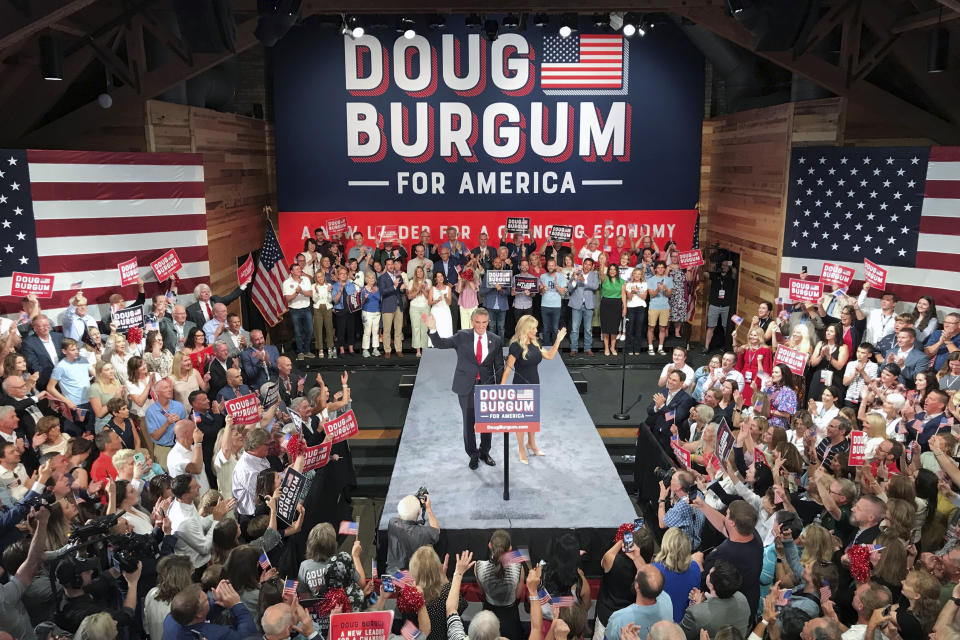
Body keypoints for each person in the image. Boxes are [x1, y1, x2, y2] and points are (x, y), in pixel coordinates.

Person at [425, 308, 504, 469]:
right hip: (466, 386)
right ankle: (473, 454)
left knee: (486, 422)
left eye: (484, 322)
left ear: (488, 322)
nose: (481, 326)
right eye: (477, 322)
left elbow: (499, 366)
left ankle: (484, 452)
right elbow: (441, 344)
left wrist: (498, 389)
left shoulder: (495, 339)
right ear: (472, 321)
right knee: (469, 422)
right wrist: (433, 329)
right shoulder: (462, 336)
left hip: (486, 387)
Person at [501, 315, 566, 463]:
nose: (536, 330)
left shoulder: (535, 344)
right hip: (520, 387)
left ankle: (531, 444)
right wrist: (501, 388)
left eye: (536, 328)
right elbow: (508, 369)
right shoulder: (516, 346)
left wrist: (557, 341)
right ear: (525, 329)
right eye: (533, 328)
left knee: (532, 418)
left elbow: (549, 356)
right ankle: (521, 448)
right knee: (521, 420)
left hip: (534, 384)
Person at [603, 564, 673, 640]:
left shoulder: (619, 619)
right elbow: (653, 583)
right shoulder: (666, 599)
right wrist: (636, 558)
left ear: (637, 585)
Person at [644, 370, 695, 454]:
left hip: (670, 438)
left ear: (681, 383)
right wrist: (656, 407)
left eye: (674, 380)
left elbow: (676, 417)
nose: (670, 382)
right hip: (656, 434)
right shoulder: (663, 392)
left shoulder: (686, 399)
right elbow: (649, 410)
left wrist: (662, 406)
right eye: (670, 378)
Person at [702, 258, 737, 354]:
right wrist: (702, 264)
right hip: (714, 305)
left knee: (726, 327)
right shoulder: (715, 275)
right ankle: (706, 347)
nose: (724, 267)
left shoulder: (731, 276)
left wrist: (731, 264)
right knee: (711, 326)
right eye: (723, 265)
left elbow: (735, 272)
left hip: (726, 306)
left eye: (726, 266)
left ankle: (727, 347)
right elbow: (705, 274)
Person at [568, 258, 599, 355]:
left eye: (589, 264)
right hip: (577, 305)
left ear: (592, 266)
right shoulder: (576, 273)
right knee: (574, 328)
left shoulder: (594, 275)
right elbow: (569, 288)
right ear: (583, 264)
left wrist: (584, 281)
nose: (587, 266)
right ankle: (573, 348)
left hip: (588, 305)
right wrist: (575, 281)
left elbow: (595, 286)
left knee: (588, 328)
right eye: (585, 264)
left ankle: (588, 348)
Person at [284, 262, 315, 359]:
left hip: (306, 308)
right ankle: (300, 352)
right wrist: (296, 293)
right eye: (297, 269)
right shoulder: (287, 283)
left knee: (310, 330)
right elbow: (288, 299)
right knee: (298, 332)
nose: (299, 270)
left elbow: (310, 294)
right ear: (292, 271)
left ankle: (307, 350)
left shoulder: (306, 279)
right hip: (295, 310)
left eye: (299, 269)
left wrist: (301, 291)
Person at [379, 258, 407, 358]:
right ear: (386, 266)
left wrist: (403, 289)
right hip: (387, 306)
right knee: (386, 330)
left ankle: (399, 349)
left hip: (398, 305)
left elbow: (401, 292)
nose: (391, 266)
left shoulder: (399, 276)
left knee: (398, 329)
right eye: (388, 264)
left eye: (392, 264)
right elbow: (382, 292)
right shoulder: (382, 277)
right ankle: (387, 350)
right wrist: (394, 287)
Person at [647, 261, 674, 356]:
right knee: (651, 327)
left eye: (662, 267)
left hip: (665, 307)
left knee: (662, 328)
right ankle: (650, 347)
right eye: (658, 267)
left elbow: (669, 295)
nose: (660, 269)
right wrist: (658, 289)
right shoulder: (651, 280)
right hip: (653, 306)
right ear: (655, 269)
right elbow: (651, 294)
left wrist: (665, 289)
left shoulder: (669, 279)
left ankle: (660, 348)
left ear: (664, 269)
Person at [599, 264, 625, 357]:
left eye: (614, 269)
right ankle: (606, 347)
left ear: (617, 271)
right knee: (605, 327)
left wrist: (625, 307)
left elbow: (623, 295)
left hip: (617, 305)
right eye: (611, 269)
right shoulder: (605, 279)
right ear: (608, 270)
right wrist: (602, 262)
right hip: (605, 304)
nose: (612, 271)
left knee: (614, 327)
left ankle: (612, 347)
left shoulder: (622, 281)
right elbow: (601, 272)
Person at [429, 271, 454, 340]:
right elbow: (429, 302)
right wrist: (436, 301)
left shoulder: (448, 288)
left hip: (445, 311)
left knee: (446, 328)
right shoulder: (432, 288)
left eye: (441, 276)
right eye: (438, 277)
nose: (440, 278)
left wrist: (445, 297)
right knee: (436, 328)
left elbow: (449, 303)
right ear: (435, 279)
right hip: (436, 311)